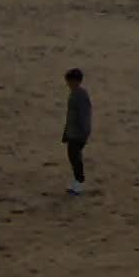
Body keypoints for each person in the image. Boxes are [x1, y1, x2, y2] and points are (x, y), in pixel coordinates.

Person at [61, 68, 92, 196]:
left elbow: (84, 116)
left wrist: (84, 133)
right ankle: (76, 183)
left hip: (78, 134)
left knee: (75, 157)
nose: (67, 83)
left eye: (69, 81)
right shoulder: (75, 93)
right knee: (73, 157)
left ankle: (79, 183)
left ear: (75, 81)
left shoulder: (81, 95)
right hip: (73, 132)